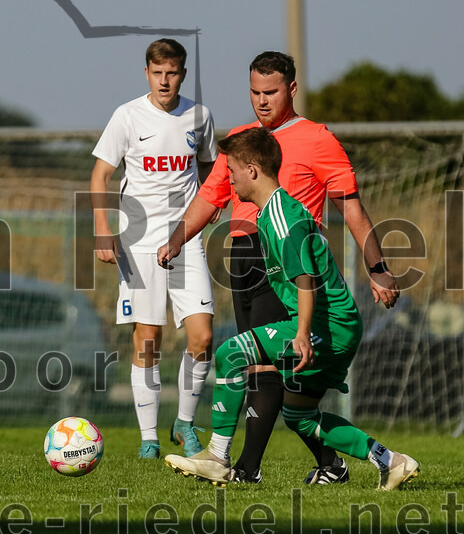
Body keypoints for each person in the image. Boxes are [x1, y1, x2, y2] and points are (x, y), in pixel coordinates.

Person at [158, 52, 399, 484]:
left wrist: (377, 266)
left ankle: (241, 465)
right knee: (289, 402)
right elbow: (209, 198)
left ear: (291, 88)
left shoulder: (315, 145)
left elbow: (352, 212)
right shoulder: (243, 142)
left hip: (289, 271)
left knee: (253, 362)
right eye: (254, 92)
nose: (261, 101)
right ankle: (355, 461)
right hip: (247, 258)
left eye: (270, 92)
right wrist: (177, 239)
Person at [90, 39, 217, 460]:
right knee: (148, 340)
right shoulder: (126, 116)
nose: (165, 80)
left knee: (202, 336)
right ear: (146, 72)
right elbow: (100, 176)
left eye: (173, 72)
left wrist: (211, 204)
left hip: (186, 239)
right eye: (157, 72)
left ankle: (184, 423)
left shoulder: (199, 117)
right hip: (138, 242)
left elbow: (209, 166)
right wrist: (103, 230)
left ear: (182, 73)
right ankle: (148, 439)